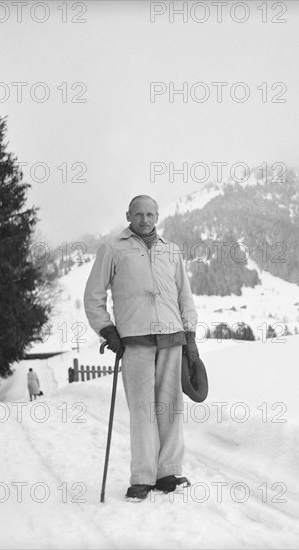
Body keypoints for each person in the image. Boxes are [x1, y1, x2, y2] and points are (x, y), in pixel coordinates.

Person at [84, 195, 199, 502]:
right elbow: (93, 296)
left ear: (157, 216)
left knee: (171, 408)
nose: (145, 219)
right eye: (139, 214)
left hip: (172, 338)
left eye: (150, 214)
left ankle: (168, 472)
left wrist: (190, 336)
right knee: (142, 410)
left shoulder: (171, 251)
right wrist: (107, 330)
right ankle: (143, 477)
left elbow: (184, 297)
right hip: (134, 341)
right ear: (128, 216)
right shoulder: (112, 249)